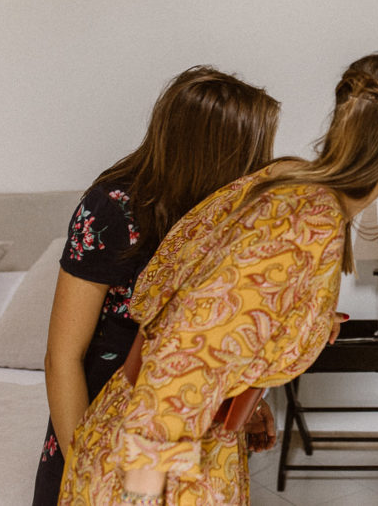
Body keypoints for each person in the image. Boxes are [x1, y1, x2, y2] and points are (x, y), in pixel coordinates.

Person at [57, 52, 378, 506]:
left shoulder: (286, 181)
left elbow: (170, 287)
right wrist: (140, 492)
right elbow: (182, 355)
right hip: (165, 462)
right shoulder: (311, 220)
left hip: (154, 431)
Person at [33, 66, 281, 506]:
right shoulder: (113, 209)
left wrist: (245, 406)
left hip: (192, 439)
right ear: (216, 151)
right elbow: (62, 358)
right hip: (108, 426)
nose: (262, 163)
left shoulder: (228, 213)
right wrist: (89, 470)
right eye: (255, 149)